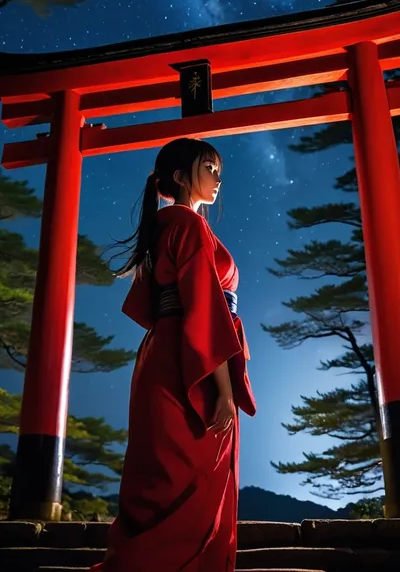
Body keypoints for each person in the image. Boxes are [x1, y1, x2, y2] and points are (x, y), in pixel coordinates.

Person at [90, 137, 256, 572]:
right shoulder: (186, 226)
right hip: (192, 363)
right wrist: (222, 388)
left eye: (220, 170)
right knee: (190, 476)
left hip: (165, 355)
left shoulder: (165, 226)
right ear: (181, 177)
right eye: (209, 168)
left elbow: (158, 304)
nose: (218, 179)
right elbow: (203, 305)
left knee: (162, 479)